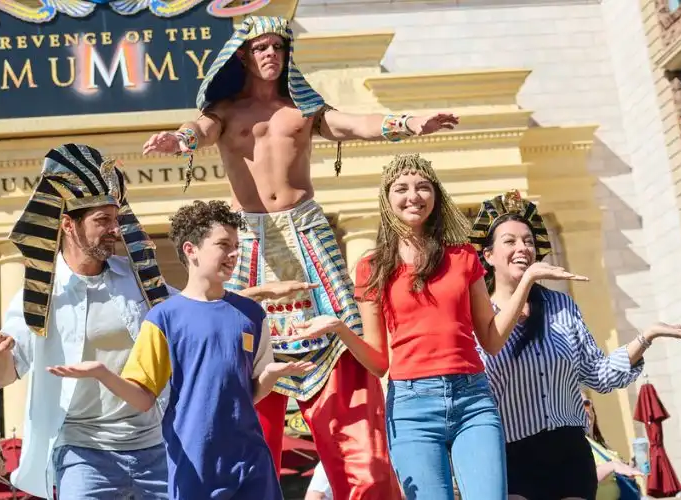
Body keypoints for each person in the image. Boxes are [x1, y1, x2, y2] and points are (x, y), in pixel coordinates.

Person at [141, 15, 457, 499]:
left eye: (278, 47)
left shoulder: (303, 109)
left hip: (308, 233)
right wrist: (177, 140)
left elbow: (355, 124)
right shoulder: (224, 110)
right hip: (248, 239)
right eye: (261, 48)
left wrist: (409, 123)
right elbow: (198, 129)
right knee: (235, 342)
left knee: (340, 340)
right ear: (244, 56)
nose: (270, 55)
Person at [0, 145, 307, 499]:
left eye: (116, 218)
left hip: (156, 445)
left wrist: (260, 293)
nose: (115, 229)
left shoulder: (140, 280)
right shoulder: (38, 297)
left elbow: (196, 308)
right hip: (84, 452)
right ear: (68, 224)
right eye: (102, 220)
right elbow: (1, 377)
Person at [292, 154, 575, 498]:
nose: (414, 195)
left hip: (473, 399)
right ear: (387, 198)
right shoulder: (373, 266)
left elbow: (491, 338)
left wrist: (528, 279)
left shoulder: (462, 256)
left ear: (436, 196)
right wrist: (340, 328)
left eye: (423, 187)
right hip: (411, 407)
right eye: (402, 188)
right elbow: (379, 360)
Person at [46, 200, 314, 499]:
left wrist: (271, 375)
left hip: (252, 461)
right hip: (193, 462)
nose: (234, 253)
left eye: (236, 245)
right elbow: (143, 398)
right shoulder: (163, 318)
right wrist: (101, 373)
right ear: (191, 250)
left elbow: (249, 395)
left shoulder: (252, 314)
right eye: (224, 244)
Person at [470, 190, 681, 500]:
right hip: (512, 452)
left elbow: (598, 374)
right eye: (510, 241)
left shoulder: (561, 306)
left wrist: (646, 336)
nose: (522, 248)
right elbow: (481, 385)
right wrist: (527, 283)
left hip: (569, 451)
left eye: (528, 241)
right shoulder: (479, 317)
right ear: (488, 256)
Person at [584, 396, 643, 500]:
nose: (584, 409)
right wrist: (612, 466)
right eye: (577, 405)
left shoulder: (597, 443)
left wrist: (628, 468)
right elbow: (582, 479)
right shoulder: (576, 444)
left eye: (586, 403)